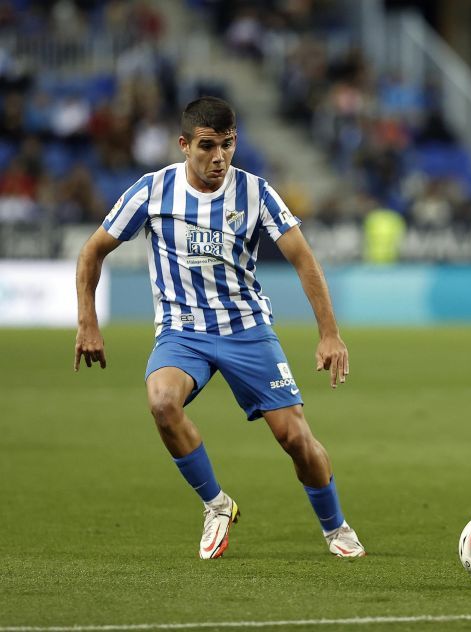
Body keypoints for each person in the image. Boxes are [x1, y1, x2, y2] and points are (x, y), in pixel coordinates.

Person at [74, 96, 365, 560]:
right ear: (184, 144)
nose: (219, 158)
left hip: (246, 329)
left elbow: (303, 259)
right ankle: (217, 504)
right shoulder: (152, 190)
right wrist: (87, 321)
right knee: (162, 403)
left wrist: (329, 333)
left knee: (294, 437)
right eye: (207, 146)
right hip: (181, 332)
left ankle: (336, 526)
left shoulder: (255, 192)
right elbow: (92, 251)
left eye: (227, 145)